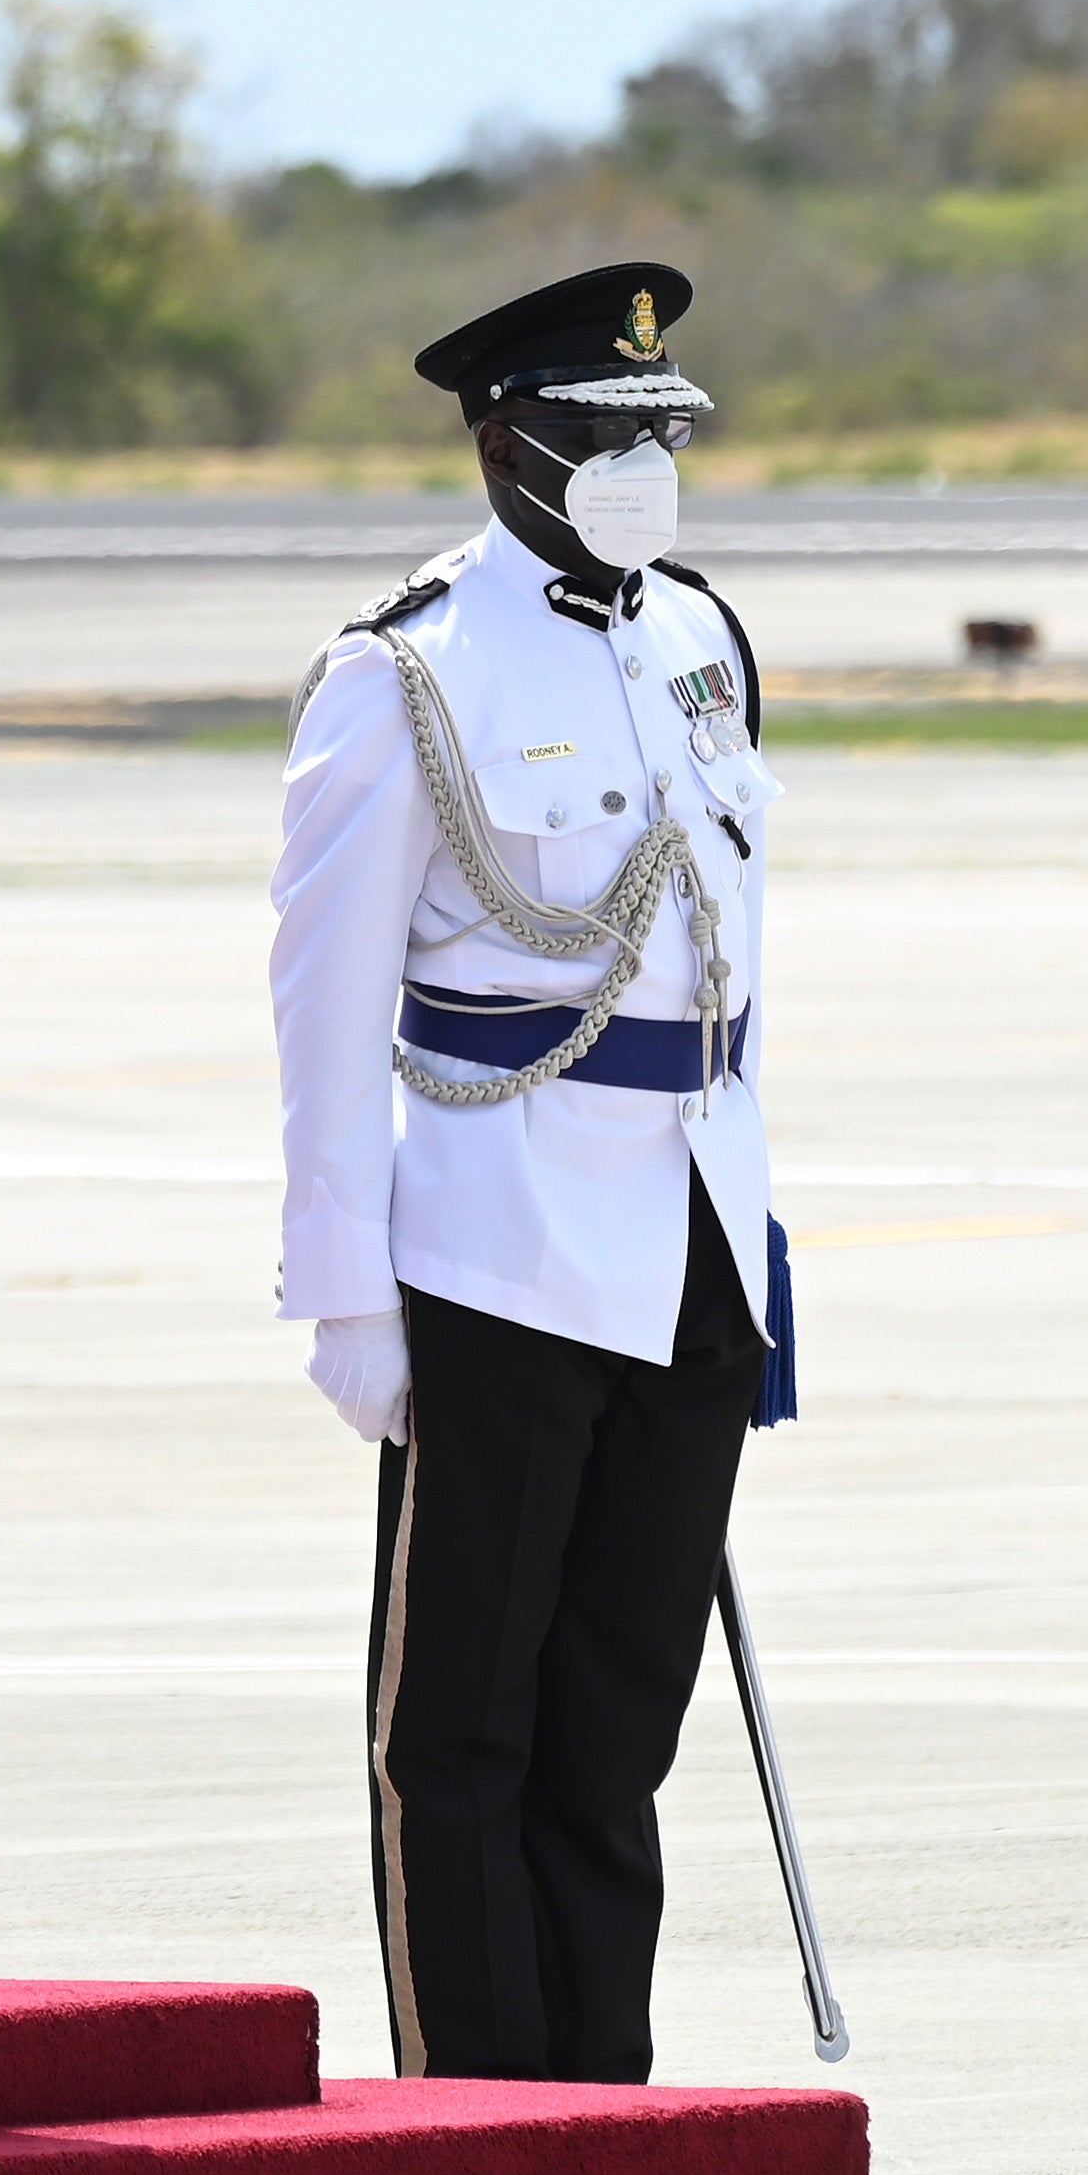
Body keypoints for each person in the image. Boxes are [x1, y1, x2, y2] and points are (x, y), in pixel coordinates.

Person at [269, 263, 781, 2082]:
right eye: (604, 437)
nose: (645, 468)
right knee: (463, 1728)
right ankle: (479, 2117)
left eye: (663, 433)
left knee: (619, 1719)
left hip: (689, 1238)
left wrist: (754, 1225)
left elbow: (723, 952)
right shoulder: (406, 668)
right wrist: (341, 1288)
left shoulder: (696, 637)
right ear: (507, 445)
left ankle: (603, 2108)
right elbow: (322, 1007)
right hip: (497, 1247)